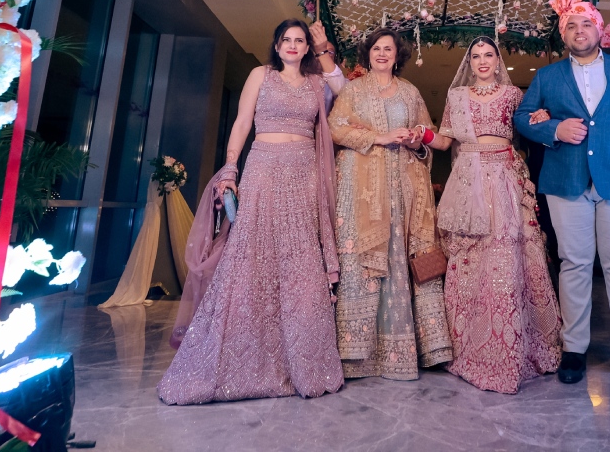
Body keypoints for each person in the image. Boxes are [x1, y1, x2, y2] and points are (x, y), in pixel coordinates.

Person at [157, 20, 345, 403]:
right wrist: (230, 167)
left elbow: (345, 90)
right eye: (286, 40)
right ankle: (240, 359)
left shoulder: (317, 83)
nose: (292, 45)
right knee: (252, 255)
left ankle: (302, 361)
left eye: (300, 40)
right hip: (263, 168)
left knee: (299, 259)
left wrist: (324, 46)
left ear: (307, 47)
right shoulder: (261, 75)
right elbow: (243, 122)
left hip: (304, 172)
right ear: (276, 46)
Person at [513, 0, 610, 391]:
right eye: (570, 26)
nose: (578, 31)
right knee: (574, 264)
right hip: (566, 179)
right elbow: (521, 117)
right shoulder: (547, 76)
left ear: (599, 30)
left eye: (586, 24)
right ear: (562, 35)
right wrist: (554, 129)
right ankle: (574, 349)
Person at [424, 36, 562, 394]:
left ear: (498, 60)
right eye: (476, 56)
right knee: (469, 261)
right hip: (467, 183)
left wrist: (542, 119)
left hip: (505, 180)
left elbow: (527, 128)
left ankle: (510, 347)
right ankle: (467, 345)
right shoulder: (457, 97)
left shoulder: (514, 94)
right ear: (469, 63)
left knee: (507, 260)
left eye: (489, 55)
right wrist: (420, 134)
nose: (483, 61)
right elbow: (444, 141)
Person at [329, 29, 453, 380]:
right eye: (376, 48)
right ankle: (356, 353)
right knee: (362, 257)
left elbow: (427, 135)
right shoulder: (353, 90)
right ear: (367, 54)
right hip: (361, 188)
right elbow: (335, 128)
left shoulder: (410, 92)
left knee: (399, 252)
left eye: (388, 49)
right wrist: (379, 137)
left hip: (402, 188)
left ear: (398, 55)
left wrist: (415, 140)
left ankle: (413, 348)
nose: (382, 53)